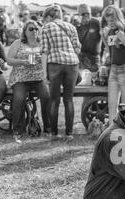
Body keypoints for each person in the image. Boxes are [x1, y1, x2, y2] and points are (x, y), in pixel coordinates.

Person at [7, 20, 51, 143]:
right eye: (31, 29)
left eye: (36, 29)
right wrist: (22, 61)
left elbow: (49, 59)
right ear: (25, 31)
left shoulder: (43, 43)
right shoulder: (18, 43)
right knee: (19, 98)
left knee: (46, 96)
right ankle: (18, 131)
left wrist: (42, 60)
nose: (34, 31)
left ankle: (48, 129)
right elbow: (9, 60)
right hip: (21, 77)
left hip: (38, 77)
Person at [41, 5, 81, 140]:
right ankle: (69, 134)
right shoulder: (71, 27)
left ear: (48, 17)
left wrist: (44, 73)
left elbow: (44, 52)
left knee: (54, 100)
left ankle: (54, 133)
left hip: (55, 64)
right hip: (72, 64)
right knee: (68, 100)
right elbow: (77, 50)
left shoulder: (46, 27)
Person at [102, 5, 125, 124]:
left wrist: (124, 40)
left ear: (118, 17)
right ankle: (112, 134)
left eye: (112, 20)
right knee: (112, 105)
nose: (110, 23)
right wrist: (104, 38)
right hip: (114, 70)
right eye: (107, 21)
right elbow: (111, 53)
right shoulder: (109, 31)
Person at [76, 4, 101, 74]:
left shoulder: (96, 22)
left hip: (93, 60)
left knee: (93, 82)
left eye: (88, 13)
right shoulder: (77, 25)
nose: (86, 15)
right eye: (83, 14)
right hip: (80, 59)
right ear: (79, 15)